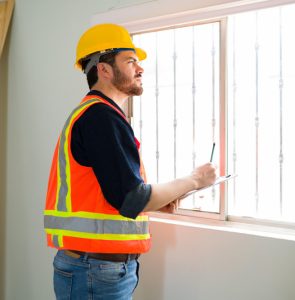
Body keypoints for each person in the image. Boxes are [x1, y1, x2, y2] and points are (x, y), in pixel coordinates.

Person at [43, 23, 217, 300]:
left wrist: (159, 203)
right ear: (104, 69)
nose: (140, 68)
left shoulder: (97, 115)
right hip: (96, 271)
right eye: (130, 60)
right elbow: (130, 198)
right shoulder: (100, 117)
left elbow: (111, 195)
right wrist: (195, 179)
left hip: (93, 268)